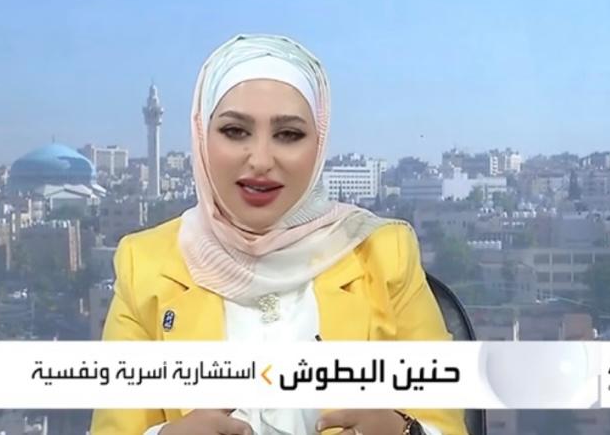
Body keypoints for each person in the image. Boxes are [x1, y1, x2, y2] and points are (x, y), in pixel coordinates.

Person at [90, 34, 468, 435]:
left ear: (319, 143)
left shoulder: (384, 254)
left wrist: (406, 431)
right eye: (235, 131)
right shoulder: (146, 265)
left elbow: (444, 423)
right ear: (202, 136)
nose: (260, 160)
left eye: (288, 134)